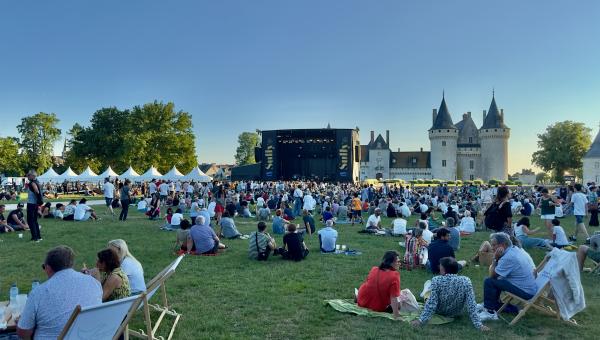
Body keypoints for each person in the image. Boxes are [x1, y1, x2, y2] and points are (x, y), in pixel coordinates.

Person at [16, 246, 102, 339]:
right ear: (71, 264)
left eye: (44, 267)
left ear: (48, 268)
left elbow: (23, 333)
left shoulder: (38, 293)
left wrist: (21, 322)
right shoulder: (94, 283)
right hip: (89, 335)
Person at [411, 257, 488, 331]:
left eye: (440, 267)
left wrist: (420, 321)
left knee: (427, 290)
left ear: (444, 270)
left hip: (439, 311)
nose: (439, 269)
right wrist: (479, 325)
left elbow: (432, 304)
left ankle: (424, 292)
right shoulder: (466, 281)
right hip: (456, 313)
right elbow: (471, 304)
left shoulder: (437, 280)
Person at [478, 233, 538, 321]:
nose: (492, 247)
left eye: (494, 245)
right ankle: (494, 305)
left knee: (489, 281)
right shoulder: (514, 249)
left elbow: (492, 275)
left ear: (503, 245)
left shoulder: (508, 257)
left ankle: (490, 312)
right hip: (529, 288)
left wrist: (495, 258)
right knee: (498, 279)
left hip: (525, 292)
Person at [357, 251, 401, 318]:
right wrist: (396, 315)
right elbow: (394, 297)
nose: (399, 264)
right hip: (377, 307)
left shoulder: (374, 269)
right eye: (398, 262)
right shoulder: (394, 275)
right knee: (405, 295)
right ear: (391, 263)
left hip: (362, 301)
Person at [26, 170, 43, 241]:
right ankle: (38, 236)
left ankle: (35, 238)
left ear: (32, 176)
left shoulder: (33, 183)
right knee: (35, 221)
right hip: (35, 204)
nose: (27, 177)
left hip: (32, 204)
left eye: (28, 175)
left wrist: (36, 196)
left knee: (31, 221)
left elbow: (37, 191)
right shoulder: (37, 182)